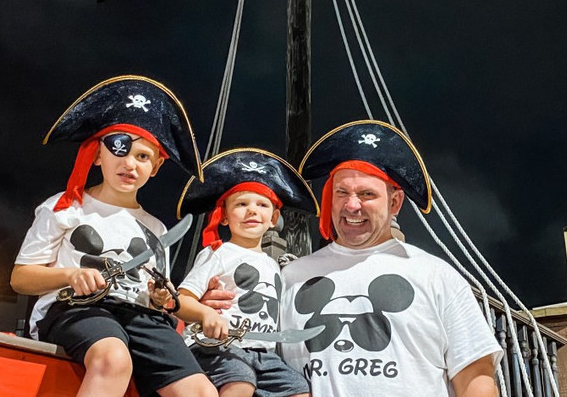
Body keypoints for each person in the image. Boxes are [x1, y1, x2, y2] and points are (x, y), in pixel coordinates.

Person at [202, 120, 502, 397]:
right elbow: (248, 346)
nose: (352, 205)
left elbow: (475, 376)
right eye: (341, 192)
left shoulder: (436, 275)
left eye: (367, 195)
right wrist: (210, 306)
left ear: (395, 201)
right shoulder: (289, 276)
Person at [10, 76, 217, 397]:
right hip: (77, 309)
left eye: (143, 156)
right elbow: (20, 278)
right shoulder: (64, 207)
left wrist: (164, 298)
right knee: (113, 359)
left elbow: (161, 298)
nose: (130, 164)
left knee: (201, 391)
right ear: (96, 154)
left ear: (157, 166)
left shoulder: (156, 228)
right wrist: (70, 275)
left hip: (142, 316)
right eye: (120, 149)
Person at [174, 148, 319, 397]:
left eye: (262, 205)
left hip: (263, 354)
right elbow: (180, 300)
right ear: (223, 216)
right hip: (219, 345)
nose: (252, 211)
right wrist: (206, 313)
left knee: (299, 390)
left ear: (273, 218)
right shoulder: (218, 253)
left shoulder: (274, 265)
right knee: (240, 382)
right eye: (241, 204)